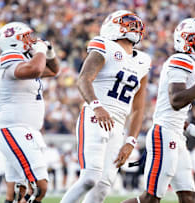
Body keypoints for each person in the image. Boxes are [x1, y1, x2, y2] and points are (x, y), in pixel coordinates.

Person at [123, 18, 195, 203]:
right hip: (165, 135)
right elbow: (176, 101)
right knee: (150, 199)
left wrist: (189, 127)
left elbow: (172, 111)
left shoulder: (189, 62)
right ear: (183, 39)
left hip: (175, 134)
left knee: (188, 197)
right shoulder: (181, 60)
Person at [61, 10, 151, 203]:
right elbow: (84, 78)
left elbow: (138, 108)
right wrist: (96, 106)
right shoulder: (105, 46)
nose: (134, 27)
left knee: (103, 186)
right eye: (128, 22)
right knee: (90, 178)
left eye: (136, 23)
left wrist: (131, 141)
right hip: (96, 116)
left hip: (118, 125)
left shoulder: (144, 61)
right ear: (112, 25)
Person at [0, 22, 59, 203]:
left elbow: (53, 70)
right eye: (25, 37)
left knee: (16, 193)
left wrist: (49, 52)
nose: (31, 40)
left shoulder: (23, 59)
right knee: (40, 186)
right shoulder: (8, 57)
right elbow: (36, 69)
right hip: (13, 129)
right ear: (13, 42)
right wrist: (39, 52)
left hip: (26, 130)